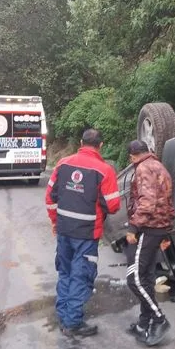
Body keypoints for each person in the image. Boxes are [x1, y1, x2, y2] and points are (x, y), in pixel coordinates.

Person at [45, 128, 121, 337]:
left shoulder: (63, 164)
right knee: (81, 275)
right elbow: (113, 205)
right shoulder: (105, 170)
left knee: (65, 272)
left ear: (81, 142)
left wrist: (55, 222)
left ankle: (64, 315)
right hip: (86, 234)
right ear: (101, 145)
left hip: (64, 230)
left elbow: (50, 198)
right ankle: (72, 323)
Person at [125, 139, 175, 347]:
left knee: (134, 278)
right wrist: (166, 232)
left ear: (132, 156)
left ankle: (159, 319)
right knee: (146, 276)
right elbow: (168, 202)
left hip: (148, 228)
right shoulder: (159, 166)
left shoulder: (143, 168)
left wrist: (133, 227)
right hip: (159, 228)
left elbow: (147, 202)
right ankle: (143, 323)